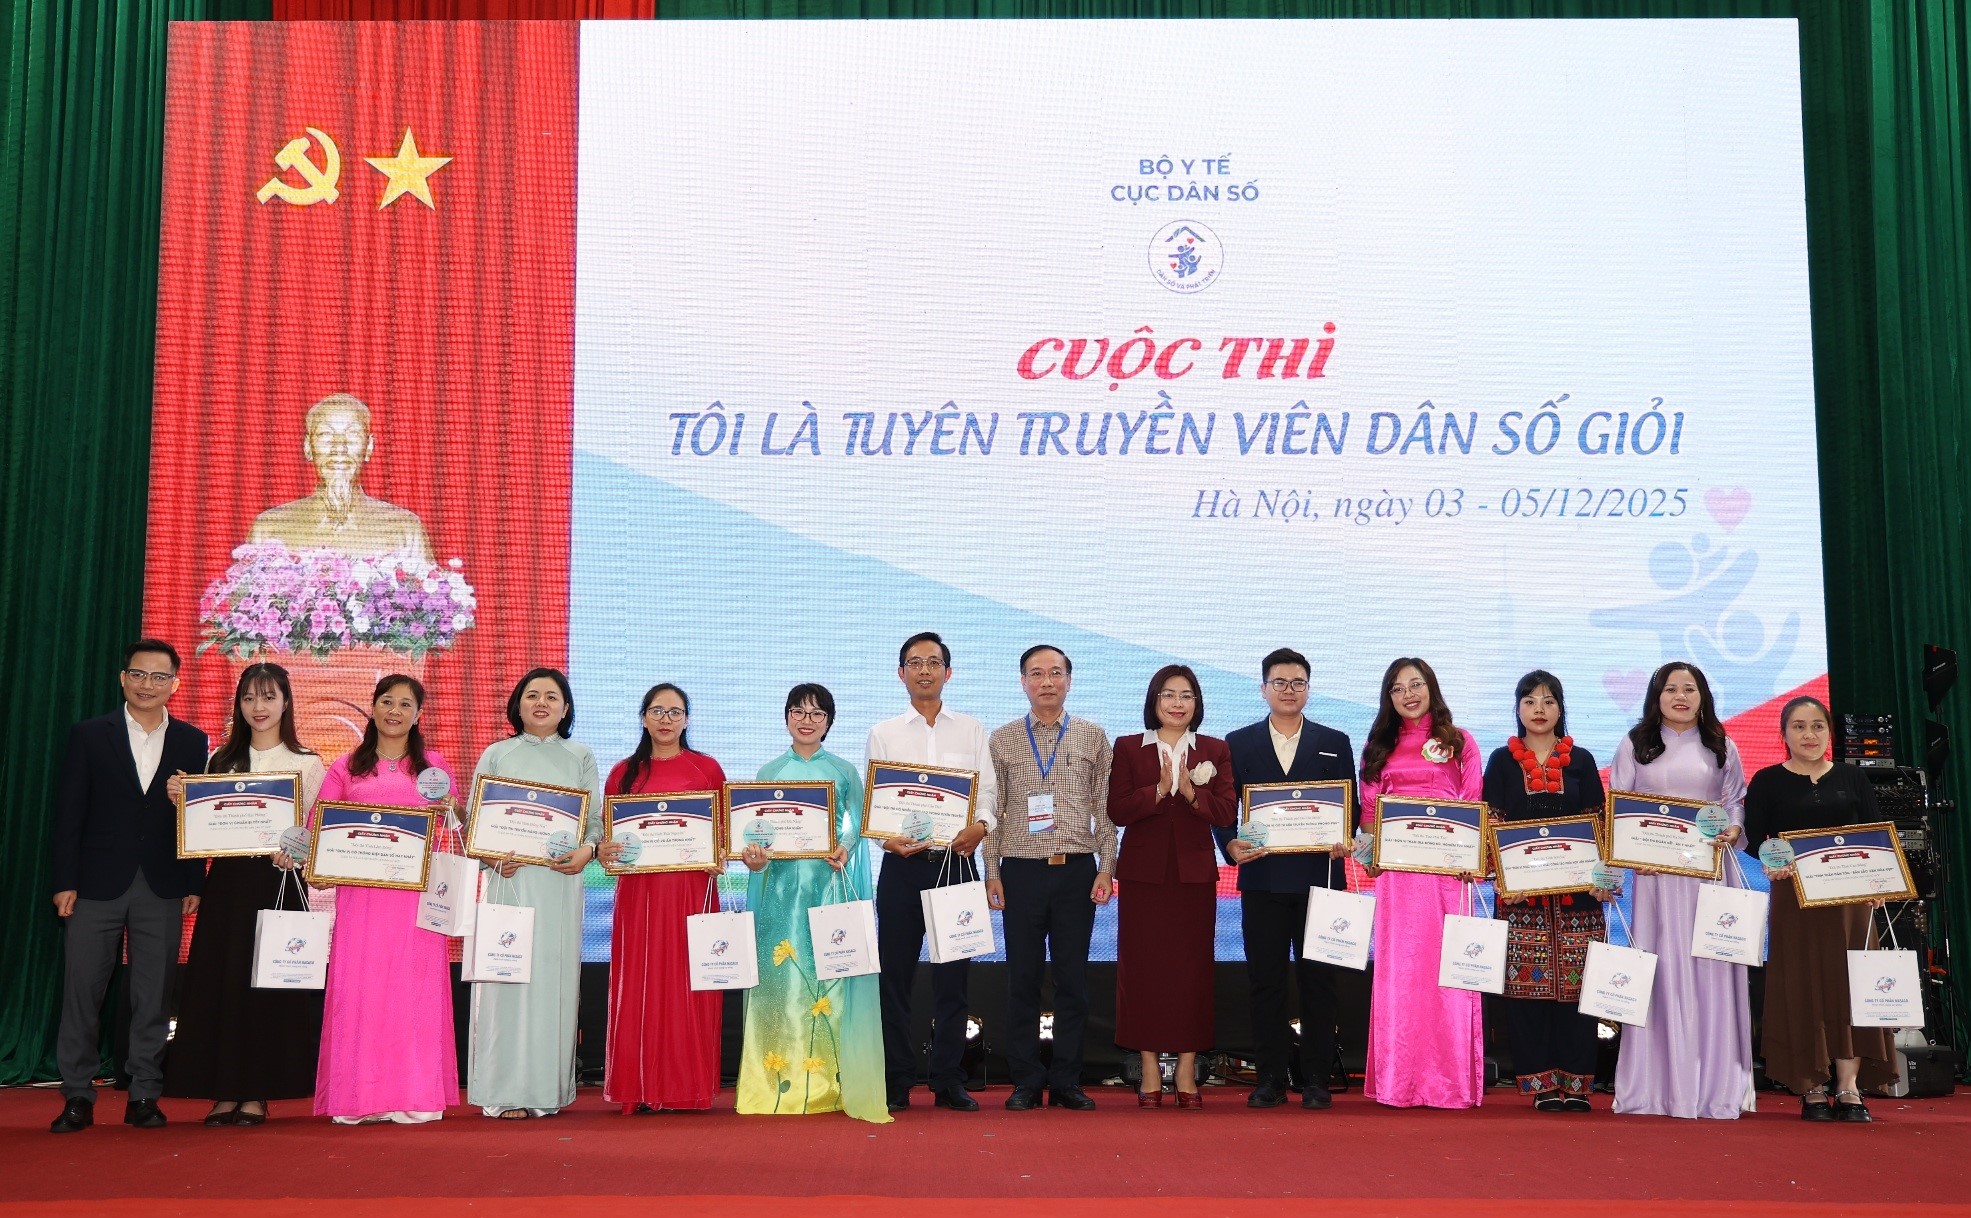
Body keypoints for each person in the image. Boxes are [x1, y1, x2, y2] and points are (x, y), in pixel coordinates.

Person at [49, 640, 210, 1133]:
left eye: (159, 677)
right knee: (82, 990)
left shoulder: (192, 740)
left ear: (175, 685)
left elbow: (196, 818)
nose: (147, 684)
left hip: (162, 884)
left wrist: (193, 881)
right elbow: (69, 814)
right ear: (123, 678)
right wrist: (64, 881)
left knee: (153, 994)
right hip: (94, 885)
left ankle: (144, 1093)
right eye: (138, 674)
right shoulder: (89, 734)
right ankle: (77, 1094)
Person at [162, 663, 328, 1125]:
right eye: (250, 697)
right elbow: (202, 829)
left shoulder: (307, 762)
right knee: (223, 983)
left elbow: (316, 832)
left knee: (267, 988)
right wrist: (183, 800)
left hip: (277, 885)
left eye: (269, 697)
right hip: (228, 887)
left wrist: (296, 853)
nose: (259, 707)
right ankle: (224, 1091)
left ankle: (257, 1092)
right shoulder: (221, 760)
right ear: (238, 703)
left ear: (286, 702)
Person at [735, 684, 891, 1123]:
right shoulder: (769, 771)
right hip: (779, 896)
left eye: (817, 713)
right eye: (798, 712)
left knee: (831, 982)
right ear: (786, 717)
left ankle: (831, 1084)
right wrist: (754, 856)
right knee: (779, 984)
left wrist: (845, 846)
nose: (807, 720)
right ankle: (773, 1085)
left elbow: (860, 823)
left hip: (828, 891)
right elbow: (754, 831)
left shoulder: (843, 771)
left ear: (829, 721)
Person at [1608, 661, 1753, 1120]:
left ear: (1703, 696)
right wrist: (1630, 853)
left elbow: (1734, 801)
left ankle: (1714, 1086)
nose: (1681, 697)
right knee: (1662, 968)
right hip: (1655, 879)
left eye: (1690, 689)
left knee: (1711, 969)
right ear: (1657, 697)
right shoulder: (1635, 744)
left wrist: (1734, 829)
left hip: (1708, 876)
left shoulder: (1721, 744)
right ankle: (1655, 1086)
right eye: (1671, 689)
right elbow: (1619, 807)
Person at [1216, 647, 1357, 1110]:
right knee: (1266, 982)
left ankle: (1316, 1079)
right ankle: (1270, 1079)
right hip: (1263, 880)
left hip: (1321, 880)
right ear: (1263, 689)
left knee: (1320, 983)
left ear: (1308, 689)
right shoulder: (1237, 742)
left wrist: (1344, 837)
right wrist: (1230, 844)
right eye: (1279, 682)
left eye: (1298, 683)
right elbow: (1224, 807)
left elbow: (1350, 809)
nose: (1289, 690)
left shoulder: (1334, 740)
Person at [313, 675, 458, 1124]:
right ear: (373, 707)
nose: (395, 711)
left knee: (414, 991)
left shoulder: (433, 767)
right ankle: (358, 1097)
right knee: (361, 989)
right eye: (387, 702)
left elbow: (455, 823)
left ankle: (414, 1094)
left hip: (417, 899)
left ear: (418, 714)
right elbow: (320, 825)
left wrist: (451, 808)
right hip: (361, 900)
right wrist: (304, 855)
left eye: (405, 704)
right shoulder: (345, 767)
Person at [1744, 695, 1895, 1122]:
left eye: (1817, 726)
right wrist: (1773, 861)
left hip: (1851, 902)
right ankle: (1810, 1087)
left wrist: (1880, 882)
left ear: (1829, 732)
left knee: (1851, 986)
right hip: (1795, 902)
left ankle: (1848, 1088)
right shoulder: (1767, 781)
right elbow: (1755, 841)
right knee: (1801, 986)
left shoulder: (1852, 777)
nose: (1809, 735)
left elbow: (1874, 836)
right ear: (1783, 734)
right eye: (1798, 726)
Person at [868, 631, 999, 1113]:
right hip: (902, 867)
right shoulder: (884, 732)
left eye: (934, 662)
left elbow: (987, 793)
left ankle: (948, 1080)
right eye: (915, 662)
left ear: (949, 671)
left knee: (953, 981)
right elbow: (875, 803)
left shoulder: (971, 730)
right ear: (901, 673)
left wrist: (981, 827)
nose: (925, 670)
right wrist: (885, 839)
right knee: (894, 979)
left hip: (955, 864)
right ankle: (897, 1080)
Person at [983, 646, 1115, 1112]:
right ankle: (1025, 1079)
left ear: (1069, 680)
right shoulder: (1001, 739)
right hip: (1020, 872)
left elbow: (1105, 810)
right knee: (1022, 978)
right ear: (1023, 682)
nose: (1046, 681)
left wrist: (1106, 867)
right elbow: (992, 811)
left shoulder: (1093, 736)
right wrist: (992, 873)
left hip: (1077, 870)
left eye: (1055, 673)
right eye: (1036, 673)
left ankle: (1066, 1080)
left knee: (1072, 980)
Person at [468, 668, 603, 1119]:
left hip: (559, 884)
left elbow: (594, 822)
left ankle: (547, 1090)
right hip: (508, 881)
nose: (541, 703)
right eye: (532, 695)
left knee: (551, 984)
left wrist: (588, 850)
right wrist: (491, 858)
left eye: (551, 696)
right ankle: (503, 1091)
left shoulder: (580, 755)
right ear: (518, 705)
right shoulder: (496, 754)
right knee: (504, 981)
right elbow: (475, 822)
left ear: (565, 709)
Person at [1357, 657, 1485, 1110]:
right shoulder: (1377, 747)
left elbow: (1473, 804)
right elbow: (1368, 819)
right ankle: (1400, 1080)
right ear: (1388, 698)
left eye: (1415, 684)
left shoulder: (1460, 741)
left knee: (1449, 974)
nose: (1408, 694)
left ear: (1431, 687)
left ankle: (1449, 1082)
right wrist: (1367, 857)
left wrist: (1471, 859)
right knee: (1402, 976)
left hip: (1448, 878)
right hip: (1398, 882)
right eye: (1397, 688)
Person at [1108, 664, 1236, 1109]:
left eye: (1186, 695)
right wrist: (1161, 790)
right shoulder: (1129, 747)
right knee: (1142, 970)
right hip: (1143, 877)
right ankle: (1148, 1068)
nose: (1177, 703)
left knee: (1191, 972)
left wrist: (1192, 793)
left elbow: (1226, 812)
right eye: (1168, 694)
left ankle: (1186, 1068)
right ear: (1154, 700)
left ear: (1197, 703)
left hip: (1193, 877)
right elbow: (1118, 810)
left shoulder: (1215, 750)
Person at [1479, 670, 1608, 1111]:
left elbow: (1599, 824)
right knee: (1526, 993)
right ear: (1517, 708)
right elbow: (1491, 823)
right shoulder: (1501, 760)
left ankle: (1577, 1084)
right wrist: (1502, 878)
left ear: (1560, 708)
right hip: (1521, 900)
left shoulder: (1582, 760)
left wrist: (1602, 877)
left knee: (1578, 990)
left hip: (1579, 900)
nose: (1539, 709)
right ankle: (1540, 1085)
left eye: (1549, 701)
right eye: (1530, 701)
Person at [596, 684, 727, 1113]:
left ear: (687, 719)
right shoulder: (623, 773)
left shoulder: (707, 769)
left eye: (675, 712)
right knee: (641, 984)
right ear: (644, 718)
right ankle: (640, 1087)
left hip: (692, 889)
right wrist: (607, 851)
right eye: (657, 711)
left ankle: (686, 1088)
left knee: (689, 982)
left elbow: (722, 831)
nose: (666, 719)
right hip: (640, 896)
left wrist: (719, 853)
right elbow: (610, 838)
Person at [247, 393, 434, 561]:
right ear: (308, 447)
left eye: (353, 434)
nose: (339, 447)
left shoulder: (404, 529)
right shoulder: (269, 529)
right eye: (325, 434)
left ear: (369, 447)